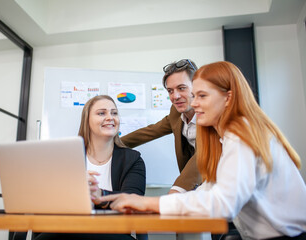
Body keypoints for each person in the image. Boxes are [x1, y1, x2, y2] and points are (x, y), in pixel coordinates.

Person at [100, 61, 306, 239]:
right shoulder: (229, 134)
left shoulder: (241, 134)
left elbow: (222, 203)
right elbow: (210, 189)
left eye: (202, 96)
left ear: (228, 98)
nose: (193, 103)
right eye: (193, 95)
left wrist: (150, 203)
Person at [30, 95, 146, 240]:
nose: (110, 117)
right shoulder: (65, 157)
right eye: (101, 113)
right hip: (67, 228)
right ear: (87, 120)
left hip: (112, 233)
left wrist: (100, 196)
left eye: (114, 113)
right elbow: (47, 201)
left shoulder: (132, 159)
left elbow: (133, 202)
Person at [121, 59, 201, 193]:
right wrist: (110, 145)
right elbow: (150, 132)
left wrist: (177, 190)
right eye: (170, 91)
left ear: (197, 87)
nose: (175, 96)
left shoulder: (211, 115)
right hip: (198, 187)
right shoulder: (176, 112)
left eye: (182, 88)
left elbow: (203, 156)